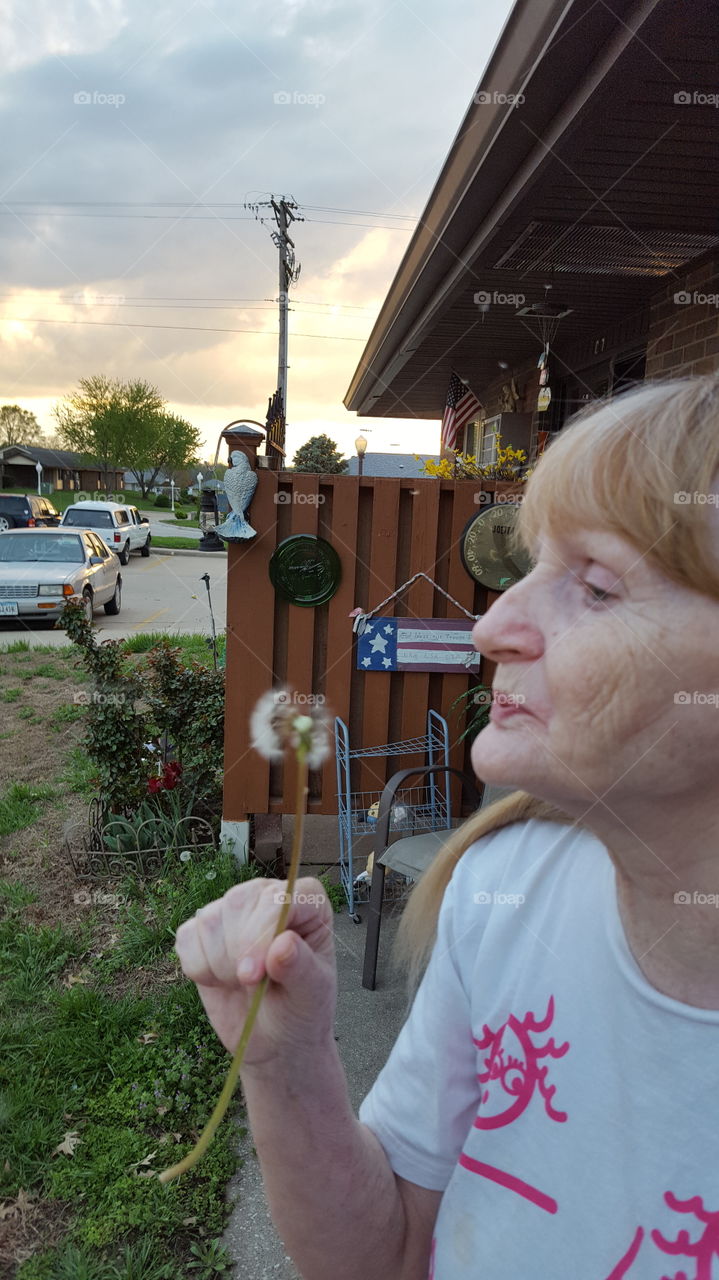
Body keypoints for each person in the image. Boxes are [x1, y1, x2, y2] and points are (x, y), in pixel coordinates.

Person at [174, 375, 719, 1279]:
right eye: (528, 569)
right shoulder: (503, 890)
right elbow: (385, 1253)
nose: (492, 626)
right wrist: (287, 1065)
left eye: (593, 585)